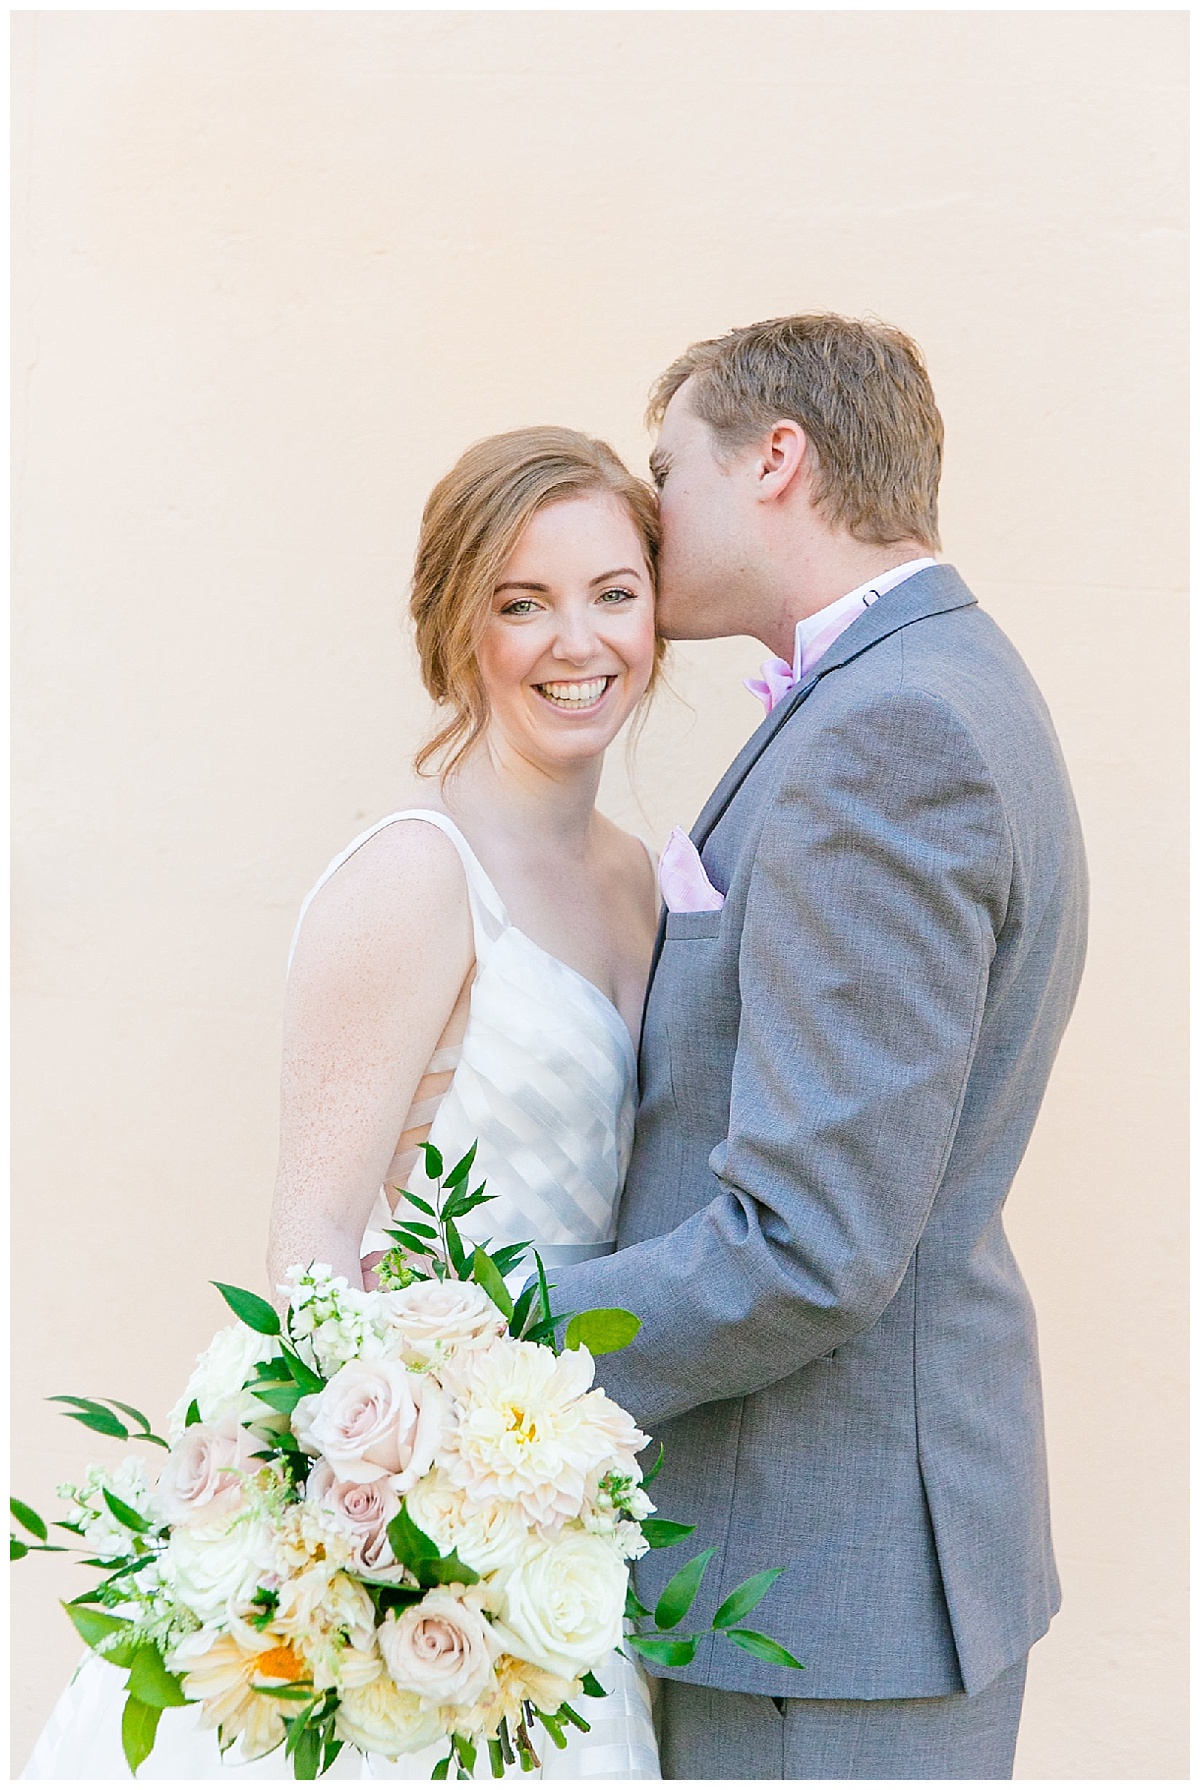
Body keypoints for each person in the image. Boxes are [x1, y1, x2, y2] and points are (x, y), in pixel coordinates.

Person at [22, 427, 664, 1780]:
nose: (578, 639)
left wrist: (535, 1496)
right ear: (457, 625)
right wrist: (397, 1506)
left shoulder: (643, 883)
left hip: (553, 1493)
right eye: (522, 601)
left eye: (613, 591)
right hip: (404, 1507)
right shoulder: (415, 875)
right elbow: (309, 1235)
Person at [549, 315, 1089, 1781]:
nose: (651, 512)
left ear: (774, 458)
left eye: (669, 472)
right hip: (832, 1560)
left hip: (822, 1577)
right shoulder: (934, 681)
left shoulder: (889, 730)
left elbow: (809, 1237)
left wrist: (504, 1341)